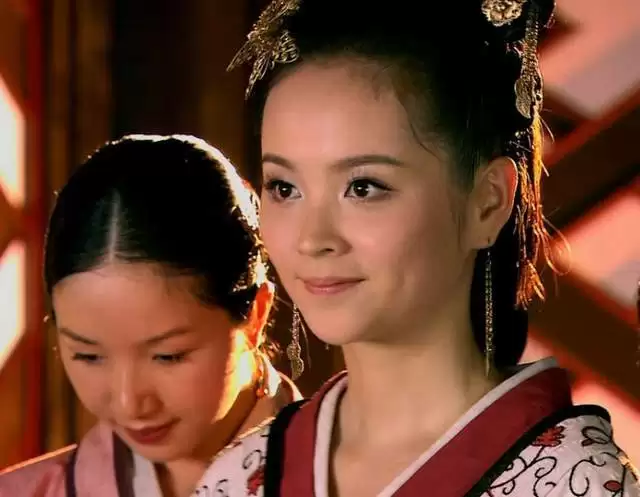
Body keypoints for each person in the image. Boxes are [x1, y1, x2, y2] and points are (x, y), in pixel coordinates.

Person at [192, 0, 640, 495]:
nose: (312, 239)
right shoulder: (239, 477)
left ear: (487, 202)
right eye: (284, 188)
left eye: (363, 187)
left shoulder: (573, 481)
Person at [0, 135, 301, 497]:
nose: (129, 402)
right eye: (89, 356)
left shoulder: (345, 478)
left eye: (167, 356)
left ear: (255, 315)